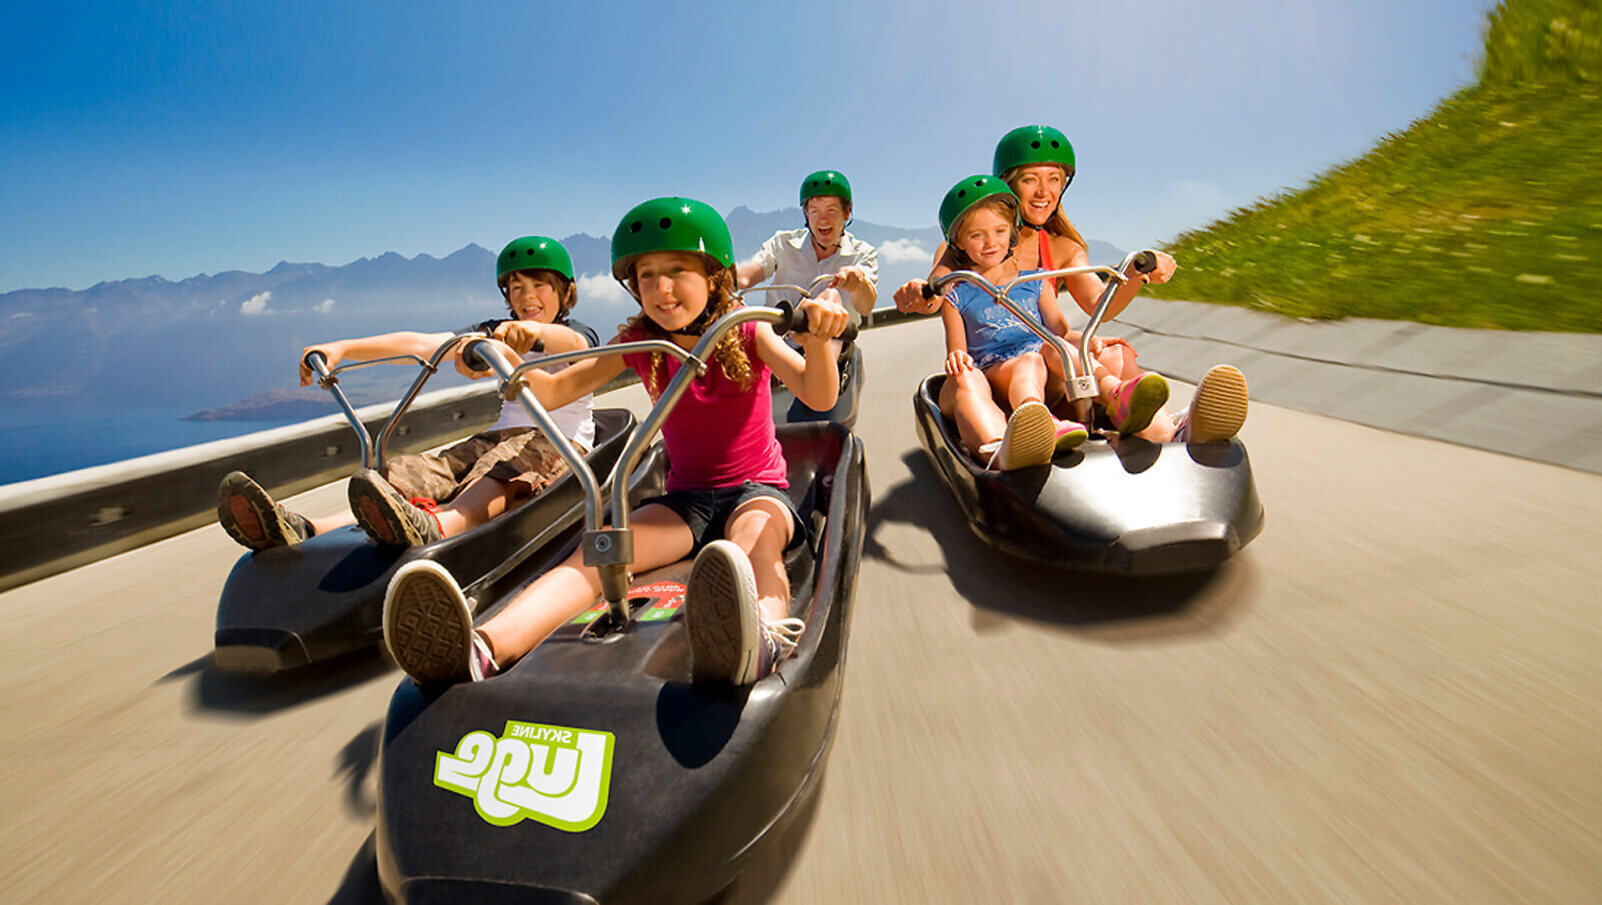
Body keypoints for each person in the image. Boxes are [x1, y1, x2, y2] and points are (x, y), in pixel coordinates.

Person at [380, 197, 851, 687]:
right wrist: (508, 360)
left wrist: (820, 342)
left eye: (677, 271)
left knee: (754, 545)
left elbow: (818, 395)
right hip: (685, 501)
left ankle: (763, 638)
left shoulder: (748, 328)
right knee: (597, 554)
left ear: (715, 276)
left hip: (756, 489)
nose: (661, 289)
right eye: (646, 276)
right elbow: (560, 388)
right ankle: (481, 648)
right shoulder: (640, 341)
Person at [215, 236, 600, 551]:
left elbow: (568, 341)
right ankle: (306, 528)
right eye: (516, 287)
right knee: (415, 471)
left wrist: (530, 335)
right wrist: (343, 348)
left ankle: (440, 527)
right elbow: (421, 345)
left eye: (538, 286)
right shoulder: (494, 330)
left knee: (497, 472)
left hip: (559, 442)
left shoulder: (577, 333)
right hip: (498, 436)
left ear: (565, 292)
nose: (526, 297)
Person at [894, 125, 1249, 443]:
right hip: (999, 368)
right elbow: (939, 292)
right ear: (1007, 184)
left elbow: (1098, 305)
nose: (1043, 191)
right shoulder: (967, 244)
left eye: (1054, 179)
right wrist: (918, 293)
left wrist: (1139, 272)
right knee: (1037, 363)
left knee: (1115, 355)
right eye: (1030, 179)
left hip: (1046, 359)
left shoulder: (1062, 246)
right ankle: (1026, 432)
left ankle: (1167, 434)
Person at [919, 175, 1170, 470]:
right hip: (995, 366)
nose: (990, 243)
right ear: (959, 242)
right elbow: (957, 348)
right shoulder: (959, 293)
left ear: (1012, 231)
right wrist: (957, 356)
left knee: (1058, 348)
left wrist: (1091, 342)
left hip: (1041, 356)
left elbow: (1060, 332)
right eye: (977, 236)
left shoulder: (1034, 281)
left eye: (999, 231)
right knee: (1029, 363)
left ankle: (1115, 394)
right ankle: (1036, 421)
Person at [736, 170, 878, 320]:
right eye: (815, 211)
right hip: (776, 338)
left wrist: (858, 282)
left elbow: (866, 307)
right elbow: (745, 278)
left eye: (831, 210)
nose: (823, 220)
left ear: (846, 214)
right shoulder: (782, 244)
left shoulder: (863, 253)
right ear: (806, 214)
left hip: (836, 341)